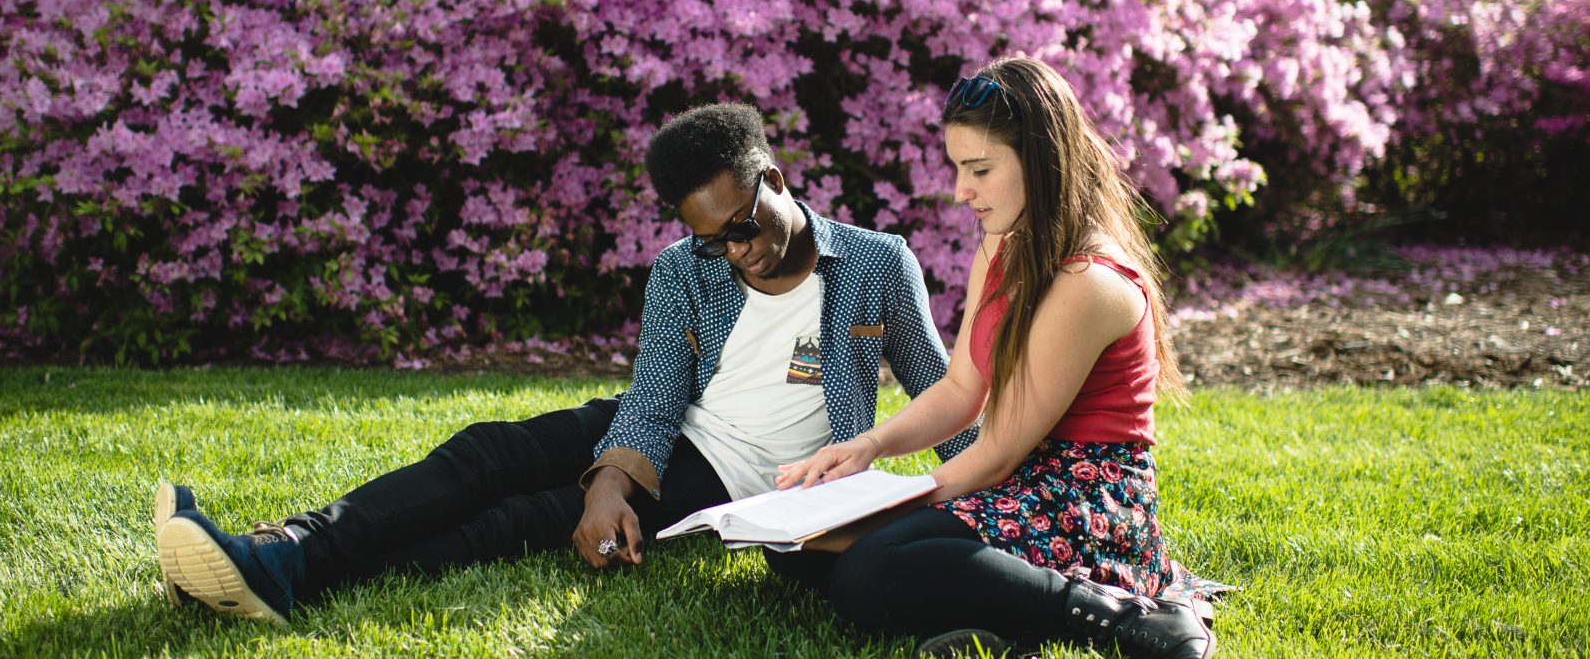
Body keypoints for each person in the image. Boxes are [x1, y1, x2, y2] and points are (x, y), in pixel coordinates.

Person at [150, 102, 982, 625]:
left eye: (743, 224)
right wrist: (613, 479)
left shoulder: (876, 264)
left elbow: (940, 388)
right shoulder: (683, 267)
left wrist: (997, 500)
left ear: (773, 175)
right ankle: (283, 552)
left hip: (742, 481)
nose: (737, 252)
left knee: (522, 520)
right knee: (486, 453)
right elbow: (655, 397)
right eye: (712, 240)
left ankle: (285, 576)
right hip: (674, 431)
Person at [772, 57, 1224, 659]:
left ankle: (1117, 616)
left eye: (979, 169)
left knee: (868, 572)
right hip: (1019, 483)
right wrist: (870, 448)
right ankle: (1004, 617)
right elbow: (962, 389)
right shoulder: (1003, 240)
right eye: (959, 168)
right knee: (795, 547)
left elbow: (998, 451)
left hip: (1082, 501)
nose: (962, 191)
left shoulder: (1089, 283)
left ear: (1041, 161)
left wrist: (883, 508)